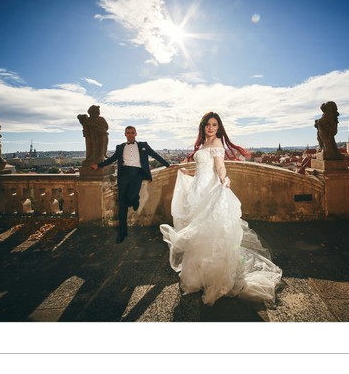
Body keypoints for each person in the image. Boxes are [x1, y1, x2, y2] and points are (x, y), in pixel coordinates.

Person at [160, 112, 282, 306]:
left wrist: (224, 180)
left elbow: (219, 167)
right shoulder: (202, 145)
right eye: (208, 124)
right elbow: (202, 170)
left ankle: (215, 278)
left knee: (211, 234)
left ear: (218, 128)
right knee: (198, 235)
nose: (211, 127)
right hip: (197, 192)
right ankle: (198, 277)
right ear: (203, 126)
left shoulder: (217, 144)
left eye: (214, 125)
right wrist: (187, 171)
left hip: (210, 192)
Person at [90, 126, 170, 243]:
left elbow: (155, 155)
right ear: (125, 134)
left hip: (137, 174)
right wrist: (99, 165)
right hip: (123, 176)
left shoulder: (143, 145)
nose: (131, 134)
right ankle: (122, 232)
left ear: (136, 133)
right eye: (128, 133)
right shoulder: (120, 147)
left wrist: (167, 164)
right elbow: (111, 159)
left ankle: (135, 200)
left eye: (132, 132)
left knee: (132, 196)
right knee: (122, 203)